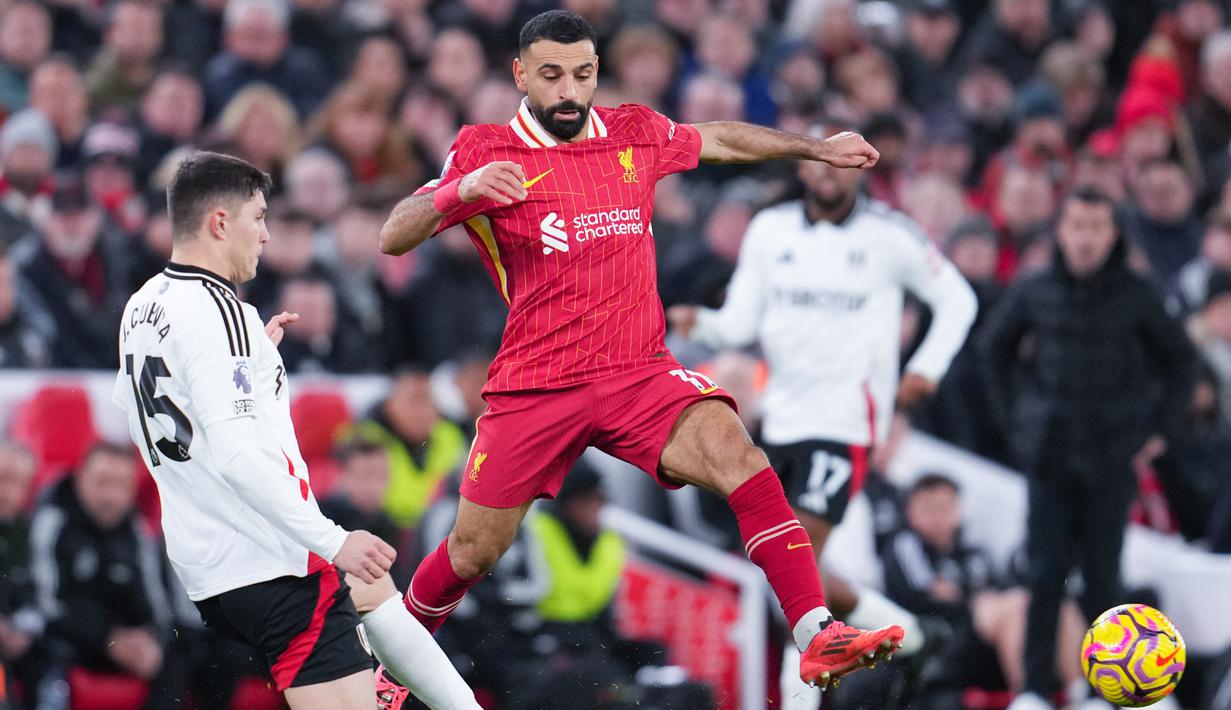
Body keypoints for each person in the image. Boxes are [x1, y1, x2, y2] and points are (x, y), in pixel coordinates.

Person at [377, 11, 904, 705]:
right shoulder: (484, 148)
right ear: (521, 75)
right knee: (472, 552)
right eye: (552, 75)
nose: (569, 91)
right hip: (537, 386)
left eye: (582, 74)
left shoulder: (632, 132)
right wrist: (459, 192)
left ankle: (814, 632)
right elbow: (392, 234)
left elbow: (717, 138)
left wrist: (814, 149)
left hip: (638, 374)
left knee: (741, 457)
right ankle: (393, 665)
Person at [112, 151, 479, 710]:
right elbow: (236, 456)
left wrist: (251, 367)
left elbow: (140, 411)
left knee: (377, 596)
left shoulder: (142, 306)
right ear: (219, 223)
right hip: (270, 564)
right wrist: (335, 539)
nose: (264, 236)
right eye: (258, 218)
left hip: (207, 564)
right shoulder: (221, 312)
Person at [668, 116, 978, 660]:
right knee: (790, 572)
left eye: (845, 156)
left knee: (801, 576)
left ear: (862, 165)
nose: (831, 168)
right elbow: (741, 323)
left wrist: (926, 366)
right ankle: (919, 641)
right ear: (804, 163)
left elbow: (958, 298)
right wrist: (705, 324)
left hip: (844, 424)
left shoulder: (890, 235)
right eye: (821, 155)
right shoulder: (771, 230)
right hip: (778, 421)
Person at [977, 188, 1198, 710]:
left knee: (1105, 578)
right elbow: (992, 351)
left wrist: (1160, 430)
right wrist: (1017, 423)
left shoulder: (1137, 293)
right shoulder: (1033, 289)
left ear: (1112, 234)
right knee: (1044, 577)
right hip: (1048, 458)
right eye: (1076, 226)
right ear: (1061, 230)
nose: (1084, 238)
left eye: (1096, 227)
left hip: (1111, 458)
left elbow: (1182, 362)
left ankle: (1106, 692)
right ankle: (1032, 690)